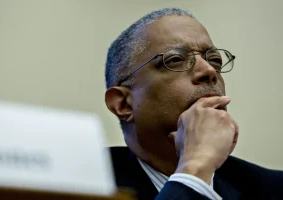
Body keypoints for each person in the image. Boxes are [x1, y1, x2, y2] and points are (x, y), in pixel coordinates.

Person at [104, 8, 283, 200]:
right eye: (175, 60)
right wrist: (195, 169)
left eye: (214, 60)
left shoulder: (274, 189)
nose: (209, 71)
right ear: (124, 104)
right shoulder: (84, 183)